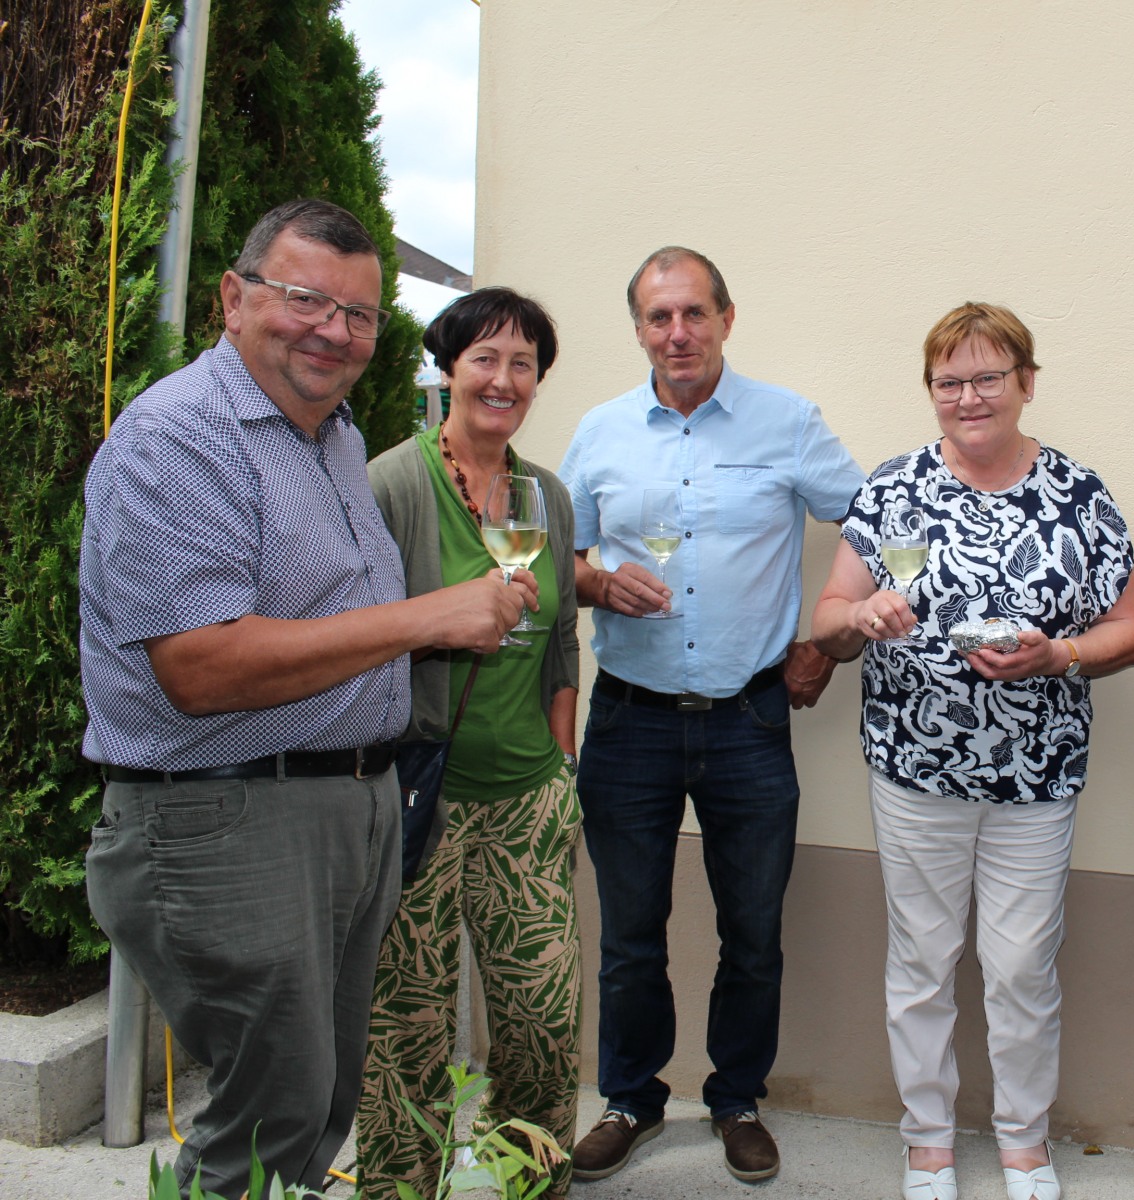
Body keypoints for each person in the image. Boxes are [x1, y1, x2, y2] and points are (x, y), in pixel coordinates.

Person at [79, 199, 529, 1197]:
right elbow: (200, 668)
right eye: (305, 300)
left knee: (315, 1104)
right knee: (266, 1119)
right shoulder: (179, 439)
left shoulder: (327, 436)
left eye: (359, 314)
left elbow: (323, 624)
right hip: (228, 819)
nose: (335, 330)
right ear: (233, 300)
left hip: (339, 807)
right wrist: (425, 617)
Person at [813, 301, 1134, 1200]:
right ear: (931, 391)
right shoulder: (894, 488)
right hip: (915, 770)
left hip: (1037, 777)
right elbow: (829, 618)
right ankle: (926, 1140)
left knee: (1022, 968)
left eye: (988, 377)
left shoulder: (1078, 493)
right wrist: (861, 614)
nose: (969, 397)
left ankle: (1023, 1142)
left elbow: (1130, 631)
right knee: (921, 962)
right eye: (949, 381)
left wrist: (1058, 654)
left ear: (1026, 383)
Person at [558, 246, 863, 1184]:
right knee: (628, 937)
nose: (678, 333)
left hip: (748, 723)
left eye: (695, 313)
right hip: (630, 722)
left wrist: (826, 643)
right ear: (639, 330)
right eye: (659, 317)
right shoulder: (601, 431)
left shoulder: (788, 422)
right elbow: (555, 556)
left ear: (727, 318)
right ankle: (630, 1099)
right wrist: (599, 584)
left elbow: (879, 526)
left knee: (754, 934)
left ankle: (737, 1100)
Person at [355, 288, 581, 1200]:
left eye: (523, 363)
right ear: (448, 368)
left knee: (543, 1025)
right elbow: (352, 636)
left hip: (528, 799)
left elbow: (561, 643)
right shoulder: (391, 485)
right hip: (422, 798)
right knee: (405, 1032)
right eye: (484, 358)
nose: (503, 379)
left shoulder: (546, 495)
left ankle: (526, 1184)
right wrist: (448, 624)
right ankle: (400, 1190)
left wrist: (564, 767)